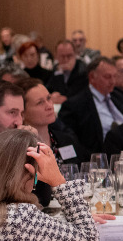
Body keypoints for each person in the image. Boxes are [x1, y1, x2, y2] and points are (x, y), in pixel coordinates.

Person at [15, 77, 84, 206]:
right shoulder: (21, 150)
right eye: (40, 103)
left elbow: (81, 176)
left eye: (49, 98)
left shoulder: (65, 139)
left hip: (70, 205)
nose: (49, 106)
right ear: (23, 113)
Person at [58, 57, 123, 156]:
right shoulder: (74, 105)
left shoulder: (118, 97)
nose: (112, 81)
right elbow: (70, 141)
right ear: (92, 77)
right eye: (107, 77)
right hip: (98, 159)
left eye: (114, 76)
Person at [46, 39, 89, 103]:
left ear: (75, 54)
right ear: (56, 56)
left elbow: (73, 95)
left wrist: (65, 98)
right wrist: (51, 96)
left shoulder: (82, 70)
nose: (66, 60)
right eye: (62, 56)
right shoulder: (57, 68)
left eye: (69, 56)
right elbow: (48, 88)